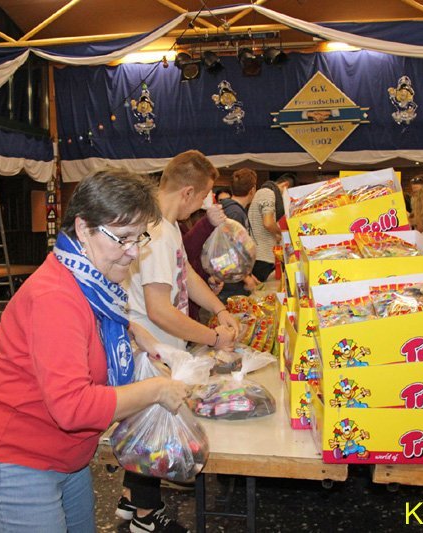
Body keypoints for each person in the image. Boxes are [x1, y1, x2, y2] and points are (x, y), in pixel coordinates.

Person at [0, 169, 189, 532]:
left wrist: (139, 333)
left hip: (64, 457)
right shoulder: (56, 296)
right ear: (83, 227)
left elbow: (100, 318)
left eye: (139, 238)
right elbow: (72, 407)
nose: (132, 252)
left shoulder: (88, 279)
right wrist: (156, 389)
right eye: (123, 238)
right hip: (13, 460)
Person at [123, 150, 239, 533]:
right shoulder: (155, 233)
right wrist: (214, 337)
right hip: (150, 351)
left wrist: (219, 309)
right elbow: (159, 310)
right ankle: (145, 518)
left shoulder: (166, 225)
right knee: (152, 433)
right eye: (203, 196)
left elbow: (185, 273)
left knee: (141, 427)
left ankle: (129, 501)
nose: (203, 205)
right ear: (188, 192)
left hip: (158, 348)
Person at [216, 168, 259, 303]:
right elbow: (229, 249)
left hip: (232, 278)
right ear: (252, 190)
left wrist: (249, 274)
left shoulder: (230, 209)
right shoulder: (235, 213)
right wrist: (246, 278)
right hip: (231, 282)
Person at [248, 173, 295, 281]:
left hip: (261, 255)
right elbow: (268, 223)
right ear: (286, 185)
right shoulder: (268, 193)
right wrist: (280, 233)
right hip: (262, 256)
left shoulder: (265, 193)